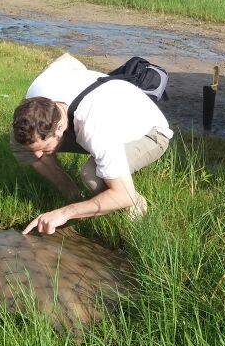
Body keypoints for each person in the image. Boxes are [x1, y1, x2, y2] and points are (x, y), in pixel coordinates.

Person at [11, 52, 173, 234]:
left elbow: (121, 195)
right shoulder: (37, 93)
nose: (38, 156)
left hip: (149, 132)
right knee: (20, 144)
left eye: (42, 148)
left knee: (92, 175)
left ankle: (138, 202)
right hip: (85, 122)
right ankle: (72, 195)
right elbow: (66, 59)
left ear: (58, 128)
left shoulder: (95, 126)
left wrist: (65, 214)